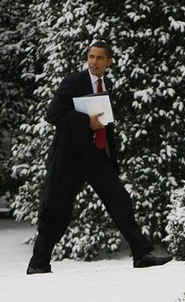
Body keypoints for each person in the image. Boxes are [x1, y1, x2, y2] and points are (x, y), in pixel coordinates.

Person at [27, 41, 172, 274]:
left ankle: (142, 254)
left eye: (99, 58)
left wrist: (111, 154)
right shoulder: (73, 81)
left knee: (120, 202)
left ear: (109, 62)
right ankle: (38, 264)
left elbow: (106, 123)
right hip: (69, 159)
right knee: (56, 211)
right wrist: (87, 122)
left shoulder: (109, 85)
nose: (94, 62)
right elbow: (53, 115)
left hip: (97, 157)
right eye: (91, 57)